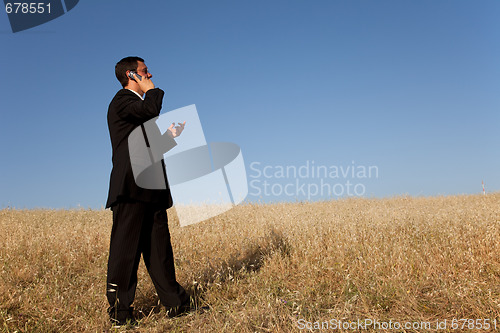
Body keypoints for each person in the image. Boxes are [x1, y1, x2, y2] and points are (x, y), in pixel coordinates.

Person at [105, 56, 189, 326]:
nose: (149, 73)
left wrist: (169, 137)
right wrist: (152, 88)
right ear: (131, 75)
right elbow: (151, 110)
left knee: (160, 252)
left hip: (151, 190)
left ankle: (177, 305)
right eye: (144, 71)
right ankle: (120, 313)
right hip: (130, 189)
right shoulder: (122, 101)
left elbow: (147, 149)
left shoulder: (137, 109)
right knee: (125, 251)